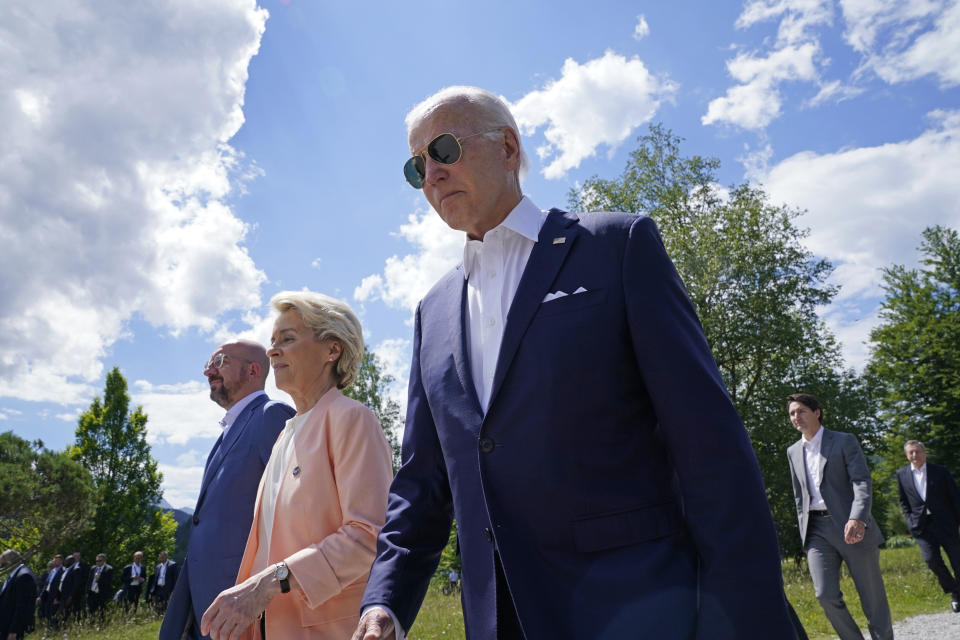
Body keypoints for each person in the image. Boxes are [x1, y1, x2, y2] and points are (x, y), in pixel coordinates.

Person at [354, 85, 798, 640]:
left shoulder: (616, 246)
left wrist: (739, 614)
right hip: (501, 622)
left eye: (443, 149)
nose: (432, 174)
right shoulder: (433, 312)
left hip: (643, 609)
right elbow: (421, 483)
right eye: (416, 166)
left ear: (508, 147)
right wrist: (385, 602)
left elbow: (710, 447)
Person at [200, 291, 393, 640]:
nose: (273, 350)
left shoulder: (352, 419)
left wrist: (272, 581)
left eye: (287, 339)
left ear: (332, 351)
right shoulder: (284, 435)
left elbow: (369, 537)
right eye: (272, 341)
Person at [161, 339, 294, 640]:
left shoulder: (272, 415)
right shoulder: (225, 435)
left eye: (220, 361)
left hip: (246, 611)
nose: (209, 371)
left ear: (253, 370)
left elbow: (294, 511)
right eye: (209, 363)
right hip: (209, 610)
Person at [786, 393, 893, 640]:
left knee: (872, 598)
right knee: (824, 594)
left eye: (801, 411)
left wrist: (858, 518)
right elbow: (799, 497)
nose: (796, 417)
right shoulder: (792, 452)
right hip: (816, 532)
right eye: (792, 413)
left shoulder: (844, 441)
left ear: (817, 412)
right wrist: (804, 535)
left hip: (852, 526)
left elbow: (862, 482)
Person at [897, 440, 960, 612]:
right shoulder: (902, 474)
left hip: (946, 525)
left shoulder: (940, 472)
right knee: (931, 560)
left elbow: (955, 497)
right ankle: (954, 590)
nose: (914, 455)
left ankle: (958, 596)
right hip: (922, 527)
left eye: (917, 451)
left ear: (924, 453)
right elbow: (903, 501)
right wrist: (909, 521)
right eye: (911, 452)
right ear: (906, 455)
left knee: (957, 561)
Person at [0, 549, 37, 640]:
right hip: (6, 626)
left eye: (2, 564)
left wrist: (14, 631)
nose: (2, 567)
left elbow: (22, 607)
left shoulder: (24, 576)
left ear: (9, 561)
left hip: (12, 630)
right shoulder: (15, 574)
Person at [86, 553, 114, 618]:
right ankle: (91, 625)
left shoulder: (109, 569)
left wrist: (99, 579)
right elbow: (89, 581)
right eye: (97, 561)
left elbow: (108, 583)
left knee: (101, 612)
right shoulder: (93, 568)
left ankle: (101, 626)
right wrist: (87, 592)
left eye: (99, 561)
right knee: (90, 611)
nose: (97, 562)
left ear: (104, 561)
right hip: (92, 593)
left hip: (101, 594)